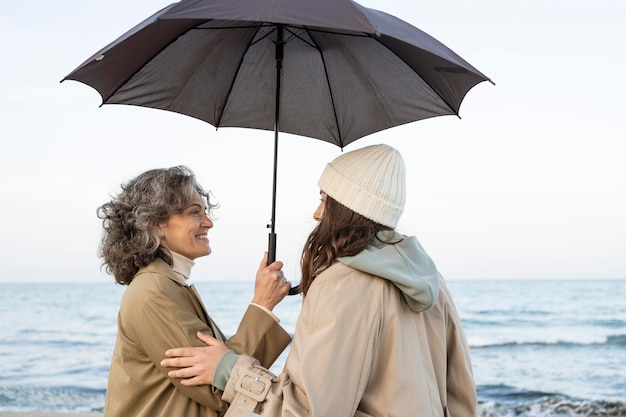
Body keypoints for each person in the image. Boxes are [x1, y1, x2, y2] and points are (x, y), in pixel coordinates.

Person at [162, 145, 478, 417]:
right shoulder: (431, 278)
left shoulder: (341, 283)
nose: (316, 213)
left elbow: (306, 409)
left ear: (347, 208)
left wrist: (228, 368)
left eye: (324, 199)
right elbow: (462, 398)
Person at [97, 165, 292, 417]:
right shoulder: (156, 290)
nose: (208, 222)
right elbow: (219, 389)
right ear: (156, 224)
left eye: (205, 212)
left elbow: (220, 367)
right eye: (194, 212)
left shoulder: (168, 284)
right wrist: (263, 304)